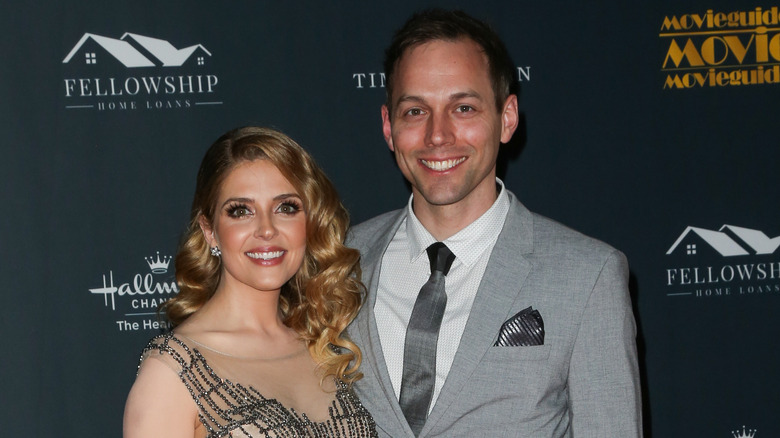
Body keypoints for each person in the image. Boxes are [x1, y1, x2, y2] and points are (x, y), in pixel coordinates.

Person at [346, 9, 642, 437]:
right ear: (389, 128)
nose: (437, 135)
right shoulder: (339, 262)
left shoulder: (587, 276)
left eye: (463, 107)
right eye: (415, 111)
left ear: (507, 118)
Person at [124, 127, 378, 437]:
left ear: (309, 221)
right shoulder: (172, 370)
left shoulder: (320, 342)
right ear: (209, 229)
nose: (266, 229)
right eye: (241, 211)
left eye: (286, 208)